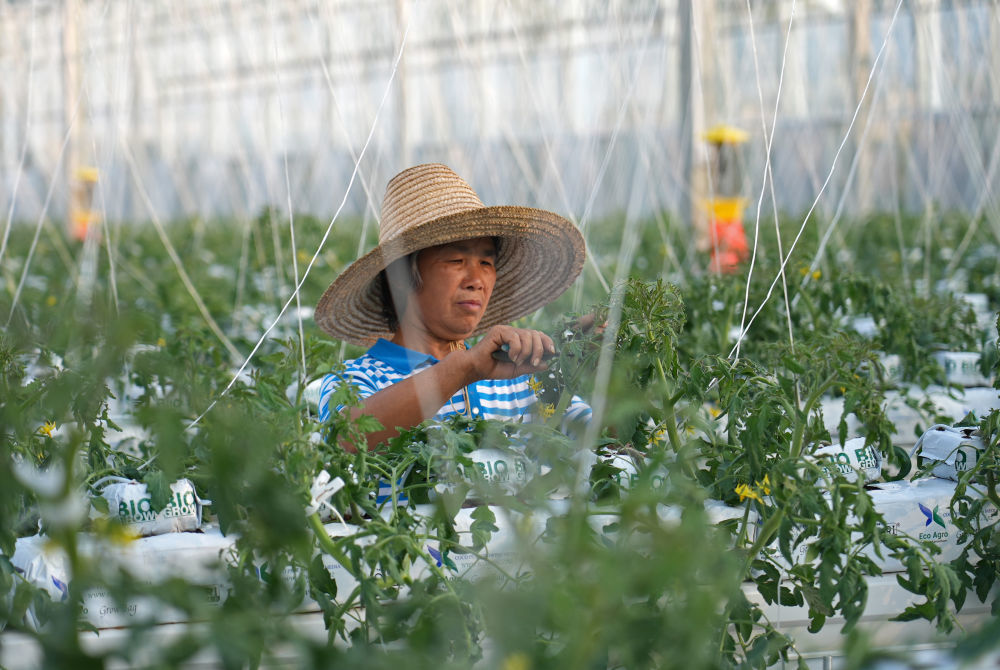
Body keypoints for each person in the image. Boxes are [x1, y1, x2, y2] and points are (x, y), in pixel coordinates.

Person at [314, 163, 591, 451]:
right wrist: (462, 370)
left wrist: (611, 370)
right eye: (456, 261)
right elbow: (344, 439)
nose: (476, 280)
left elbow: (607, 448)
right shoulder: (354, 381)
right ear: (401, 278)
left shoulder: (520, 378)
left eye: (486, 263)